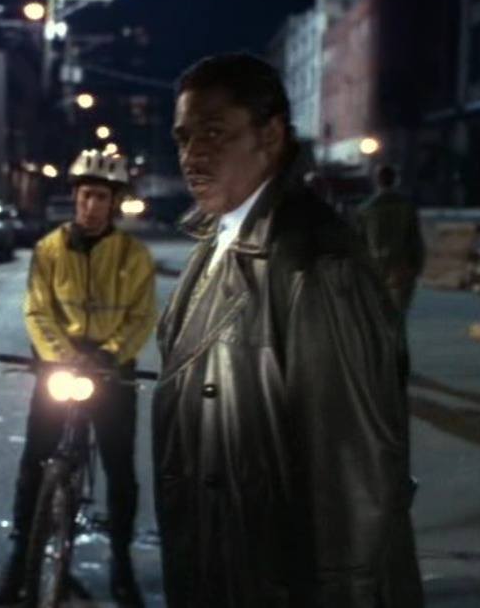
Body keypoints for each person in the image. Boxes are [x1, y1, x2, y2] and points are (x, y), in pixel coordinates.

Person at [153, 53, 422, 608]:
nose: (192, 154)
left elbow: (353, 478)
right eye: (183, 137)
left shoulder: (314, 266)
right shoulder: (216, 244)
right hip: (224, 566)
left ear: (271, 136)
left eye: (214, 133)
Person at [0, 149, 156, 607]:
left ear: (114, 202)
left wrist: (109, 353)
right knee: (35, 458)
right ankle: (20, 551)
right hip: (60, 365)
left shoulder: (133, 255)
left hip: (109, 367)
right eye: (85, 195)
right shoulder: (49, 249)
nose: (91, 206)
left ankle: (121, 560)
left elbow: (141, 316)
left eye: (101, 197)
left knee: (119, 468)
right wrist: (61, 356)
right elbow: (37, 309)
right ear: (75, 197)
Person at [356, 164, 425, 318]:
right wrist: (417, 265)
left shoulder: (366, 209)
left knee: (377, 312)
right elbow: (414, 238)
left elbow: (360, 242)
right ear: (395, 180)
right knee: (398, 311)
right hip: (401, 264)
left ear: (377, 180)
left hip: (375, 265)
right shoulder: (406, 206)